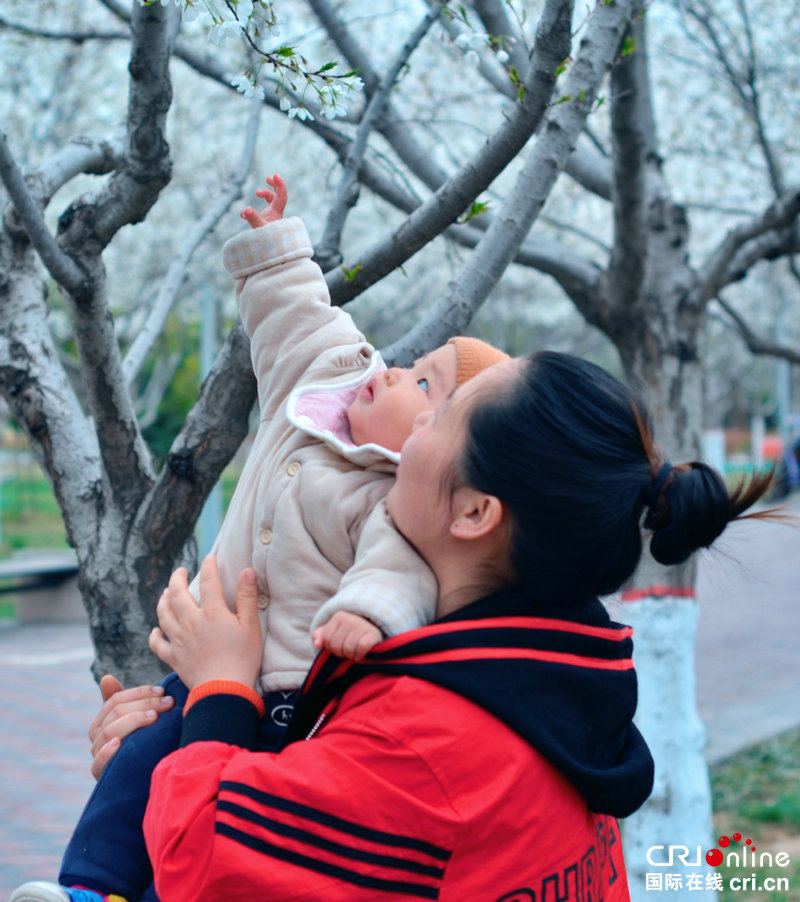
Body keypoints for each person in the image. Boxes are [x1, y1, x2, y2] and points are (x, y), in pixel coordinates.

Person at [89, 353, 775, 899]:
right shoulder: (554, 678)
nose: (414, 420)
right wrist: (167, 759)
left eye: (440, 414)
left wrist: (218, 696)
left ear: (476, 513)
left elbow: (208, 865)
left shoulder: (426, 739)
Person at [10, 176, 509, 902]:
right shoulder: (329, 380)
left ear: (443, 451)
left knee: (215, 815)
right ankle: (87, 890)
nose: (396, 370)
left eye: (425, 387)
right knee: (140, 761)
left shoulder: (395, 504)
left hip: (286, 697)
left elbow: (396, 572)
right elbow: (303, 318)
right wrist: (277, 247)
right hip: (205, 668)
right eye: (414, 363)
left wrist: (365, 618)